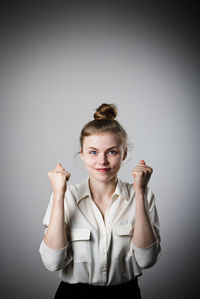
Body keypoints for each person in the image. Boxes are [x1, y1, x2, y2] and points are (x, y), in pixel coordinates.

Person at [39, 103, 161, 298]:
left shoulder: (143, 195)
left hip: (125, 294)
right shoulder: (66, 196)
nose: (102, 161)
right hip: (73, 295)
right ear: (82, 154)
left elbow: (147, 260)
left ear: (124, 154)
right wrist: (59, 195)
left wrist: (140, 193)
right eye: (93, 152)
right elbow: (53, 263)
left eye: (112, 152)